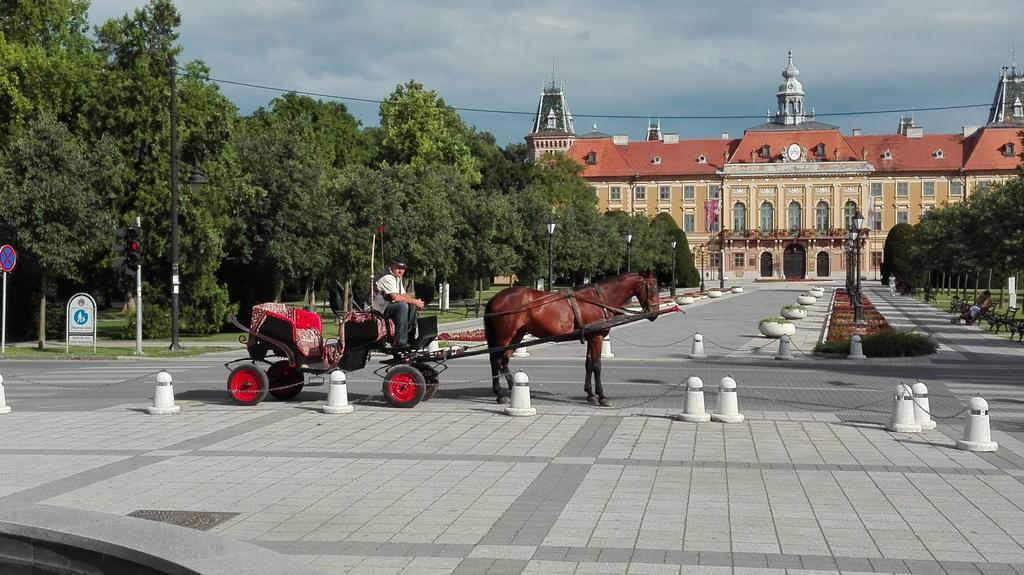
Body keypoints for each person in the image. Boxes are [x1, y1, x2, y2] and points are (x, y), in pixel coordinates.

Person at [372, 257, 424, 347]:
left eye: (403, 269)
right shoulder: (387, 277)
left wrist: (415, 301)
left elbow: (403, 294)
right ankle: (400, 341)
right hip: (378, 307)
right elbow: (396, 297)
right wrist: (414, 302)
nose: (401, 271)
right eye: (398, 268)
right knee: (402, 306)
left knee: (411, 306)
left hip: (386, 306)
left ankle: (410, 338)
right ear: (392, 265)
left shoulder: (397, 277)